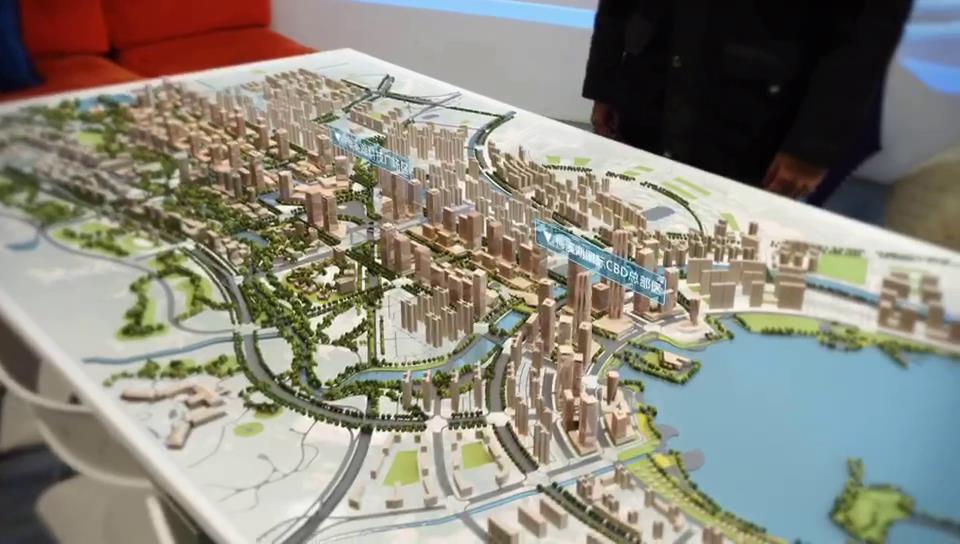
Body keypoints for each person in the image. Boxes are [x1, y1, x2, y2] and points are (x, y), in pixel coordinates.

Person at [583, 0, 914, 202]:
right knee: (632, 224)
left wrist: (814, 146)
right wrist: (605, 81)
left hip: (754, 117)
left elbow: (867, 29)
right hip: (647, 89)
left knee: (728, 253)